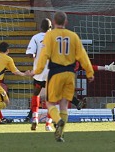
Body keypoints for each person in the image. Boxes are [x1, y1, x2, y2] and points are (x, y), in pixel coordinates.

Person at [34, 11, 94, 142]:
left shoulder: (50, 36)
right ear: (66, 22)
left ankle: (57, 120)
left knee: (50, 102)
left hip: (56, 72)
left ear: (54, 22)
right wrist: (89, 73)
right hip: (70, 74)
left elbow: (44, 55)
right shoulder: (73, 36)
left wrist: (37, 70)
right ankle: (60, 134)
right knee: (64, 104)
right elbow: (83, 56)